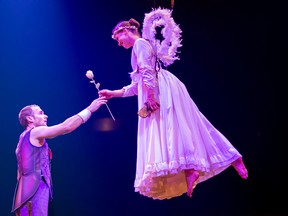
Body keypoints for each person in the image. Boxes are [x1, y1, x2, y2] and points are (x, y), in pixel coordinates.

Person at [98, 18, 248, 200]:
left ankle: (212, 162)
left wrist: (152, 97)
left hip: (160, 89)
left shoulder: (139, 44)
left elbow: (147, 72)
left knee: (174, 128)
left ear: (125, 31)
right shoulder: (140, 46)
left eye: (118, 39)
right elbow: (136, 85)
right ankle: (207, 163)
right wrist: (113, 93)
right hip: (157, 87)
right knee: (183, 127)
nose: (119, 44)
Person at [11, 97, 107, 216]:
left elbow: (19, 174)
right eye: (41, 113)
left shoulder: (23, 139)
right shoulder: (34, 132)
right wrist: (89, 110)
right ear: (30, 118)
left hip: (25, 193)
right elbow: (66, 127)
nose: (45, 116)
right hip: (34, 190)